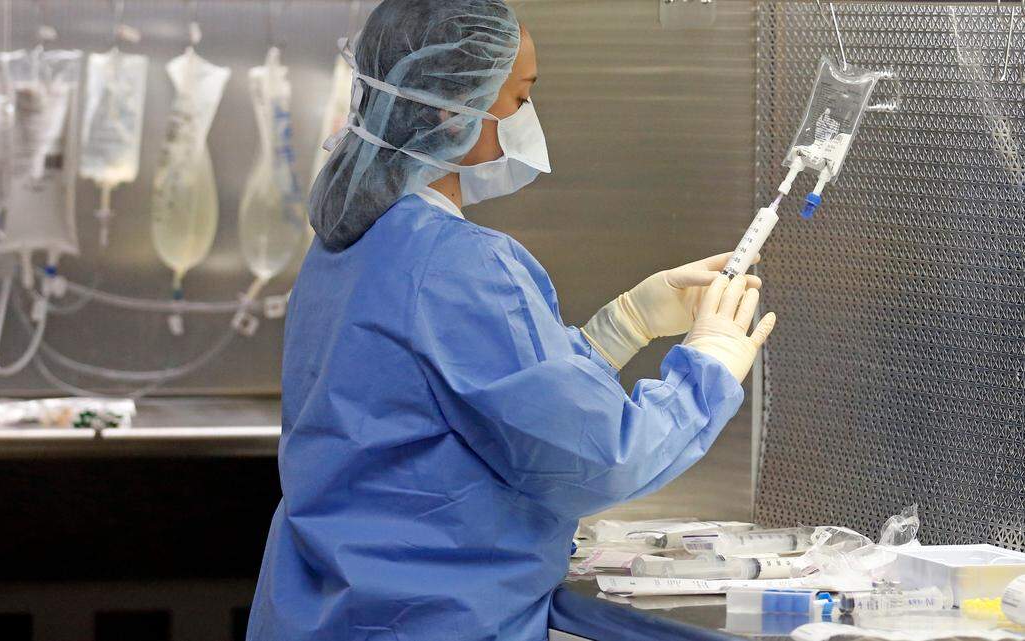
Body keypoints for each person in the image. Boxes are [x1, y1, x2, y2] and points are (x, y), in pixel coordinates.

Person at [247, 1, 776, 639]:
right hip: (428, 620)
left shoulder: (349, 244)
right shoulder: (456, 265)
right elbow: (598, 457)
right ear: (450, 108)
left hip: (327, 612)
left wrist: (622, 327)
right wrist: (708, 367)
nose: (528, 118)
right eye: (520, 97)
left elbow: (476, 400)